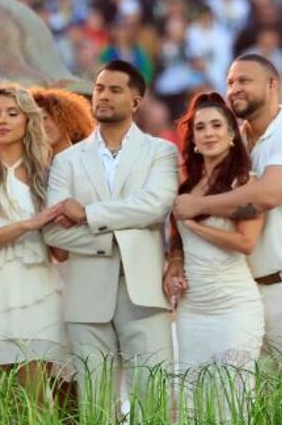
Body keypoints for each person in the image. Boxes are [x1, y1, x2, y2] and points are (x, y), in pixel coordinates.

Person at [173, 54, 282, 352]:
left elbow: (266, 196)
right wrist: (176, 258)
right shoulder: (232, 143)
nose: (235, 89)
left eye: (244, 80)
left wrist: (197, 207)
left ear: (272, 84)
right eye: (230, 82)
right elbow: (185, 201)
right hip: (248, 292)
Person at [43, 61, 176, 419]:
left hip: (144, 292)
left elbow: (155, 206)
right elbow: (53, 229)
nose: (102, 96)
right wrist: (115, 240)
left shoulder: (161, 152)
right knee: (95, 407)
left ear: (136, 101)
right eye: (99, 88)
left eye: (114, 90)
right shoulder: (67, 161)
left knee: (155, 402)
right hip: (86, 294)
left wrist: (86, 214)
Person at [166, 92, 264, 413]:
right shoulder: (186, 186)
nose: (208, 133)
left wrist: (195, 225)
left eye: (216, 125)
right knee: (191, 403)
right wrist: (175, 262)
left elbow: (246, 242)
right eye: (200, 128)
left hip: (233, 306)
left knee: (231, 401)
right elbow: (177, 236)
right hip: (192, 309)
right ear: (193, 139)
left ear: (232, 133)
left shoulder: (245, 182)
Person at [0, 84, 67, 399]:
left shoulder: (47, 173)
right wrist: (28, 224)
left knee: (36, 397)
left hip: (39, 292)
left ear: (28, 120)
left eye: (12, 113)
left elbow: (60, 253)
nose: (2, 120)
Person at [31, 88, 94, 156]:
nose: (40, 125)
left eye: (44, 118)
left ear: (64, 119)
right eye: (34, 122)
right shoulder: (34, 161)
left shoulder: (88, 157)